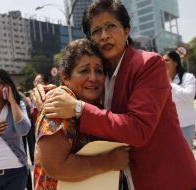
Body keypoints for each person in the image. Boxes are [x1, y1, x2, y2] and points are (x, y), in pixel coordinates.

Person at [32, 0, 196, 189]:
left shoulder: (148, 64)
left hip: (165, 179)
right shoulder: (101, 76)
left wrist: (78, 109)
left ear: (126, 30)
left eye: (111, 26)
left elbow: (138, 129)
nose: (104, 36)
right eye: (96, 31)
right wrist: (49, 90)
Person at [34, 38, 129, 190]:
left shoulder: (99, 104)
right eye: (84, 70)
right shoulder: (58, 105)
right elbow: (56, 166)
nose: (93, 78)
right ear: (65, 77)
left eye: (99, 70)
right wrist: (110, 162)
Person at [164, 50, 196, 149]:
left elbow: (189, 96)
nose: (163, 63)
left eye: (167, 60)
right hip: (167, 127)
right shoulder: (160, 80)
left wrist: (171, 84)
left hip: (185, 125)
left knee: (186, 158)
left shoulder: (188, 78)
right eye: (162, 61)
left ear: (176, 62)